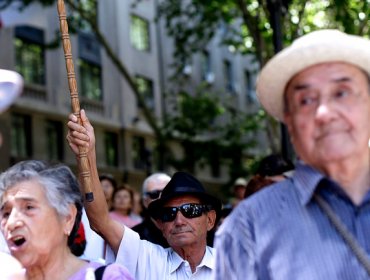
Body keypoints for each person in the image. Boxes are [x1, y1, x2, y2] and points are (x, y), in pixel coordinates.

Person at [214, 29, 370, 279]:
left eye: (341, 93)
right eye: (306, 100)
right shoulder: (248, 227)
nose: (324, 112)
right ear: (289, 121)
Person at [66, 112, 222, 279]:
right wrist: (87, 155)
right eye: (168, 214)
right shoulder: (145, 257)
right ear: (161, 225)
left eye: (190, 210)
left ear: (210, 220)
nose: (179, 220)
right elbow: (100, 221)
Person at [0, 160, 133, 280]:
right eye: (6, 213)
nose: (11, 223)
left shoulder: (109, 277)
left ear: (68, 218)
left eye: (29, 207)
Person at [132, 172, 171, 247]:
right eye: (154, 194)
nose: (160, 198)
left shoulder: (187, 230)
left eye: (166, 193)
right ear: (145, 201)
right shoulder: (134, 237)